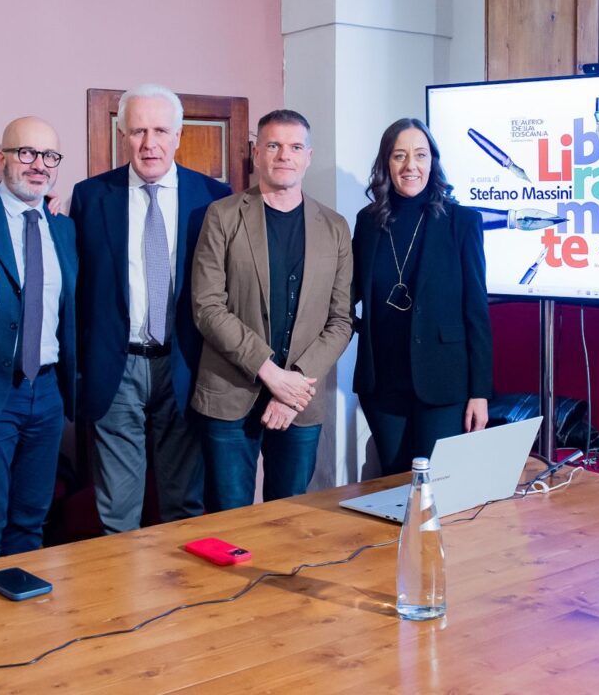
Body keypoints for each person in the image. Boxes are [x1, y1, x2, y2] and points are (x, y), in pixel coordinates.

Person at [70, 84, 231, 533]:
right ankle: (121, 601)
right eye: (138, 131)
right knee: (115, 512)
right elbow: (79, 289)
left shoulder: (215, 198)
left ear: (179, 135)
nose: (149, 143)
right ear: (122, 135)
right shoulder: (89, 198)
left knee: (184, 505)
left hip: (185, 364)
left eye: (160, 130)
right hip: (116, 369)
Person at [192, 109, 353, 511]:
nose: (285, 155)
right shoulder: (223, 216)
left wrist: (292, 384)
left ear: (309, 156)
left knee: (290, 519)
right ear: (256, 153)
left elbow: (341, 320)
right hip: (230, 393)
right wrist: (270, 373)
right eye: (274, 145)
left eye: (295, 146)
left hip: (300, 398)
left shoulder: (335, 227)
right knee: (228, 521)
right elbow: (207, 306)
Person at [353, 117, 493, 476]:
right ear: (387, 163)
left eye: (420, 155)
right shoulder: (368, 222)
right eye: (399, 156)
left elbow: (476, 312)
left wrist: (480, 392)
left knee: (437, 490)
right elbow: (347, 292)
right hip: (383, 385)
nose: (410, 165)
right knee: (392, 484)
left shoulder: (462, 222)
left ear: (433, 161)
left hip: (445, 384)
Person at [0, 117, 77, 561]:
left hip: (47, 392)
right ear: (3, 158)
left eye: (49, 156)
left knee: (32, 520)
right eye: (26, 153)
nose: (39, 166)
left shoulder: (63, 226)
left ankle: (22, 621)